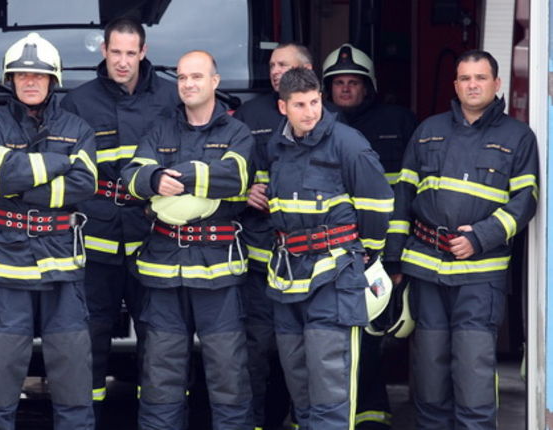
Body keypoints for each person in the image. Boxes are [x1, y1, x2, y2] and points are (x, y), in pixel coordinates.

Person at [384, 50, 538, 429]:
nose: (473, 84)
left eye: (481, 78)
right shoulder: (427, 131)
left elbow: (526, 201)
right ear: (455, 84)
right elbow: (403, 196)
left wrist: (481, 237)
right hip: (425, 270)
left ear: (496, 84)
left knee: (473, 379)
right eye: (466, 78)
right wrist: (394, 262)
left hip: (479, 275)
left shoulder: (518, 137)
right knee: (429, 378)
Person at [249, 67, 392, 429]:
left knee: (331, 389)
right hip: (287, 282)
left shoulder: (349, 142)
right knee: (301, 389)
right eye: (300, 104)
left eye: (315, 102)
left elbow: (378, 204)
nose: (310, 111)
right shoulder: (275, 148)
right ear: (283, 107)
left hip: (334, 279)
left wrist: (367, 254)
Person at [0, 32, 97, 429]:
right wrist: (58, 162)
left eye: (38, 76)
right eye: (21, 75)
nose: (30, 81)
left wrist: (22, 178)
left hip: (62, 264)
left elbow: (85, 183)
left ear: (53, 80)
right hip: (6, 263)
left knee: (73, 377)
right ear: (10, 80)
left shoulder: (79, 127)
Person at [122, 50, 253, 430]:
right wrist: (151, 180)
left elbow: (237, 178)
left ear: (215, 82)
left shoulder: (236, 133)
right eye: (181, 78)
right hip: (165, 269)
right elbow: (133, 175)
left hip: (217, 272)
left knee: (229, 377)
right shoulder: (161, 128)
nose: (188, 84)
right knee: (160, 378)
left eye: (197, 77)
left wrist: (178, 176)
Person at [59, 17, 178, 418]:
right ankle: (85, 420)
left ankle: (158, 421)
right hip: (97, 234)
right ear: (103, 51)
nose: (123, 62)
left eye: (131, 53)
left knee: (159, 336)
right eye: (116, 52)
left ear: (143, 52)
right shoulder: (78, 101)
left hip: (153, 233)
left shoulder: (170, 96)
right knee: (88, 335)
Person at [322, 43, 418, 430]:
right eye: (338, 83)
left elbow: (409, 193)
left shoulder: (399, 122)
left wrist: (394, 257)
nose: (345, 90)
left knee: (372, 337)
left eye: (353, 83)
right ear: (326, 90)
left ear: (369, 87)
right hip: (330, 254)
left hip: (378, 252)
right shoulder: (315, 127)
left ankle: (372, 416)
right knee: (325, 341)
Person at [233, 42, 322, 430]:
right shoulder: (247, 115)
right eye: (271, 64)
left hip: (310, 261)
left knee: (306, 352)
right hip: (259, 256)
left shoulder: (323, 119)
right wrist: (243, 192)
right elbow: (231, 170)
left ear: (306, 70)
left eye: (283, 64)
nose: (274, 71)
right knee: (255, 348)